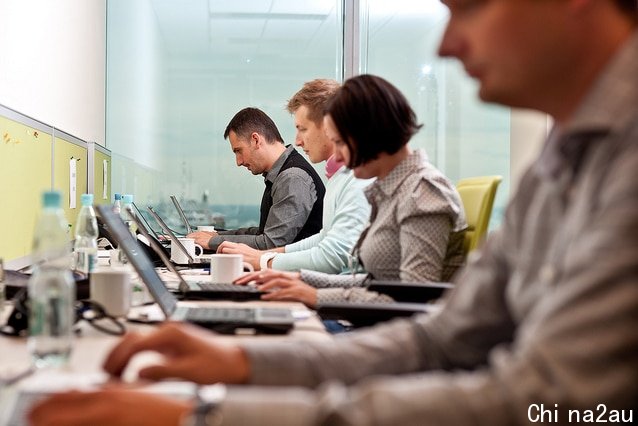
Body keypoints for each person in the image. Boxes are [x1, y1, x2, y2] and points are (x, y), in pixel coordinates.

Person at [29, 1, 638, 425]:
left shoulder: (432, 192)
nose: (449, 44)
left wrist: (207, 413)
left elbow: (545, 404)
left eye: (472, 5)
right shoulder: (563, 162)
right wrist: (243, 361)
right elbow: (437, 335)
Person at [233, 75, 467, 308]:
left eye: (342, 144)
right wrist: (298, 279)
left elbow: (410, 302)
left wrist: (313, 295)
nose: (340, 158)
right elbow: (371, 282)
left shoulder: (422, 192)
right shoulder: (391, 188)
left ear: (370, 133)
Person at [217, 79, 372, 274]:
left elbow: (334, 256)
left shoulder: (357, 179)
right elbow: (324, 238)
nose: (297, 141)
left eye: (303, 129)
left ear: (330, 126)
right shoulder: (340, 178)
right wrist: (265, 258)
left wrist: (265, 261)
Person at [188, 107, 325, 251]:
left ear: (255, 140)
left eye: (238, 151)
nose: (238, 161)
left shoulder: (292, 178)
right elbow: (263, 233)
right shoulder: (282, 175)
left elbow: (270, 243)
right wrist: (216, 235)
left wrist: (213, 241)